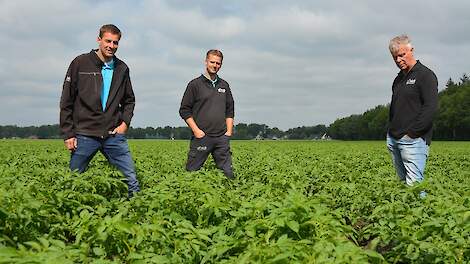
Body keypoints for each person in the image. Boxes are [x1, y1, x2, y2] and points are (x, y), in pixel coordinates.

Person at [59, 24, 140, 197]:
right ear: (99, 40)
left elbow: (129, 100)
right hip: (85, 133)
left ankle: (136, 214)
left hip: (113, 134)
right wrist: (68, 133)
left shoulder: (122, 68)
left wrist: (125, 124)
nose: (111, 46)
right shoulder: (80, 63)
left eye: (115, 42)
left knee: (130, 180)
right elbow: (67, 99)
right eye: (108, 41)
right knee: (73, 180)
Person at [386, 34, 438, 192]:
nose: (399, 60)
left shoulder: (425, 75)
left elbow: (430, 108)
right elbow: (396, 108)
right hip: (394, 139)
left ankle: (419, 215)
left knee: (414, 186)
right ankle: (404, 215)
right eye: (395, 57)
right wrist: (390, 133)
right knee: (403, 186)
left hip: (413, 141)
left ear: (411, 50)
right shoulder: (398, 80)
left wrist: (412, 134)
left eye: (402, 55)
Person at [179, 49, 235, 179]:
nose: (215, 65)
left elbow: (230, 109)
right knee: (192, 173)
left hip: (221, 138)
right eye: (212, 62)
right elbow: (184, 110)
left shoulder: (224, 85)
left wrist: (228, 132)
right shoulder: (195, 85)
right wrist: (196, 131)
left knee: (228, 175)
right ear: (206, 62)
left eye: (218, 63)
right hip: (202, 137)